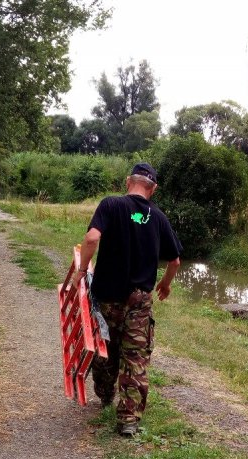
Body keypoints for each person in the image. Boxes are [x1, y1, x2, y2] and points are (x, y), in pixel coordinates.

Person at [73, 162, 182, 437]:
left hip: (106, 297)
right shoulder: (158, 218)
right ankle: (128, 420)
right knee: (135, 357)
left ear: (127, 182)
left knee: (105, 348)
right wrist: (165, 284)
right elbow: (175, 260)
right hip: (139, 300)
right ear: (153, 189)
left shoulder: (110, 205)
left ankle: (105, 394)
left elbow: (91, 238)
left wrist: (82, 270)